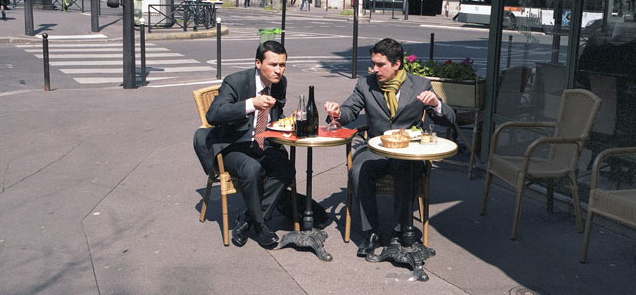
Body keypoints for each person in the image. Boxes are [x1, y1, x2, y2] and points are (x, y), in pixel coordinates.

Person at [323, 38, 456, 257]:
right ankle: (371, 233)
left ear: (397, 64)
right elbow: (349, 111)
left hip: (407, 152)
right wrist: (336, 113)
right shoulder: (366, 85)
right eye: (373, 64)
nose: (374, 69)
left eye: (380, 65)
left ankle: (399, 232)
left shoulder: (421, 85)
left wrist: (436, 104)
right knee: (358, 170)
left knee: (408, 169)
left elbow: (449, 119)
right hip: (374, 149)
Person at [193, 40, 295, 248]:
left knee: (285, 167)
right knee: (252, 168)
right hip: (231, 144)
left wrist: (287, 121)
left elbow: (276, 113)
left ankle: (247, 220)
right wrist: (251, 104)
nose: (278, 70)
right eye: (273, 65)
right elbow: (214, 114)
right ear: (258, 63)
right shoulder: (236, 81)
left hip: (262, 141)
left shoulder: (280, 84)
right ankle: (259, 225)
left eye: (282, 65)